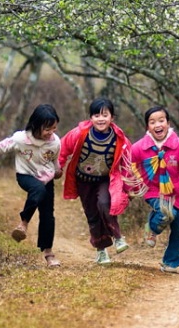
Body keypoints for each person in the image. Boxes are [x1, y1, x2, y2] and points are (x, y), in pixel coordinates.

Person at [0, 104, 63, 268]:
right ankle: (23, 223)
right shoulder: (21, 139)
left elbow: (54, 159)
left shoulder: (55, 142)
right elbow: (4, 145)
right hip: (25, 175)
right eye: (47, 129)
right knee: (37, 189)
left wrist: (58, 170)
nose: (51, 133)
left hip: (46, 177)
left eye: (54, 128)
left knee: (47, 215)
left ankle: (48, 253)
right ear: (36, 125)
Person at [59, 98, 139, 265]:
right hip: (83, 180)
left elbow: (128, 163)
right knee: (92, 215)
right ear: (90, 118)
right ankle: (101, 251)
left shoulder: (119, 139)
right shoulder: (79, 134)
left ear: (112, 118)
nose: (101, 119)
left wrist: (132, 187)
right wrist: (57, 167)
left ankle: (118, 237)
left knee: (105, 204)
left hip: (105, 180)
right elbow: (62, 149)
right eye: (96, 115)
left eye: (105, 115)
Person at [131, 106, 179, 273]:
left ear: (168, 123)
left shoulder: (178, 145)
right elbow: (129, 165)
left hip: (177, 193)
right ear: (147, 127)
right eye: (152, 122)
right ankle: (152, 227)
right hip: (154, 191)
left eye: (161, 120)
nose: (158, 125)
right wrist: (130, 189)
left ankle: (170, 262)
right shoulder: (140, 147)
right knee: (166, 212)